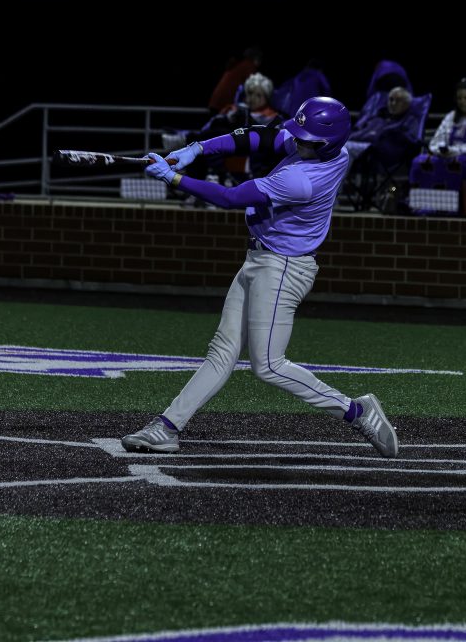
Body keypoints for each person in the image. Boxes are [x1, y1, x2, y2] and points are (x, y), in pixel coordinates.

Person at [120, 97, 400, 459]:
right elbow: (261, 136)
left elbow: (230, 197)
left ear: (326, 143)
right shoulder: (328, 150)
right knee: (222, 351)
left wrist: (173, 178)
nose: (295, 141)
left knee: (268, 365)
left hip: (283, 268)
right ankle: (168, 427)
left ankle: (356, 412)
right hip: (262, 257)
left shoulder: (302, 180)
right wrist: (197, 149)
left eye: (305, 139)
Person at [408, 79, 466, 207]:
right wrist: (441, 150)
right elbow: (437, 139)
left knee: (458, 163)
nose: (462, 102)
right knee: (419, 161)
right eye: (459, 98)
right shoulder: (451, 116)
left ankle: (456, 206)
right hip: (446, 155)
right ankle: (423, 205)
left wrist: (457, 151)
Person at [344, 87, 428, 210]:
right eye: (390, 100)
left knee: (343, 150)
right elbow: (358, 132)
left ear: (407, 104)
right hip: (363, 149)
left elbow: (412, 141)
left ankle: (329, 197)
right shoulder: (378, 117)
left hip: (383, 152)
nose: (392, 103)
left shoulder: (410, 121)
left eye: (398, 100)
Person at [208, 47, 262, 114]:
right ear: (256, 58)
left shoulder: (239, 64)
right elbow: (254, 87)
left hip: (215, 102)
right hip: (224, 105)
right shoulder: (248, 66)